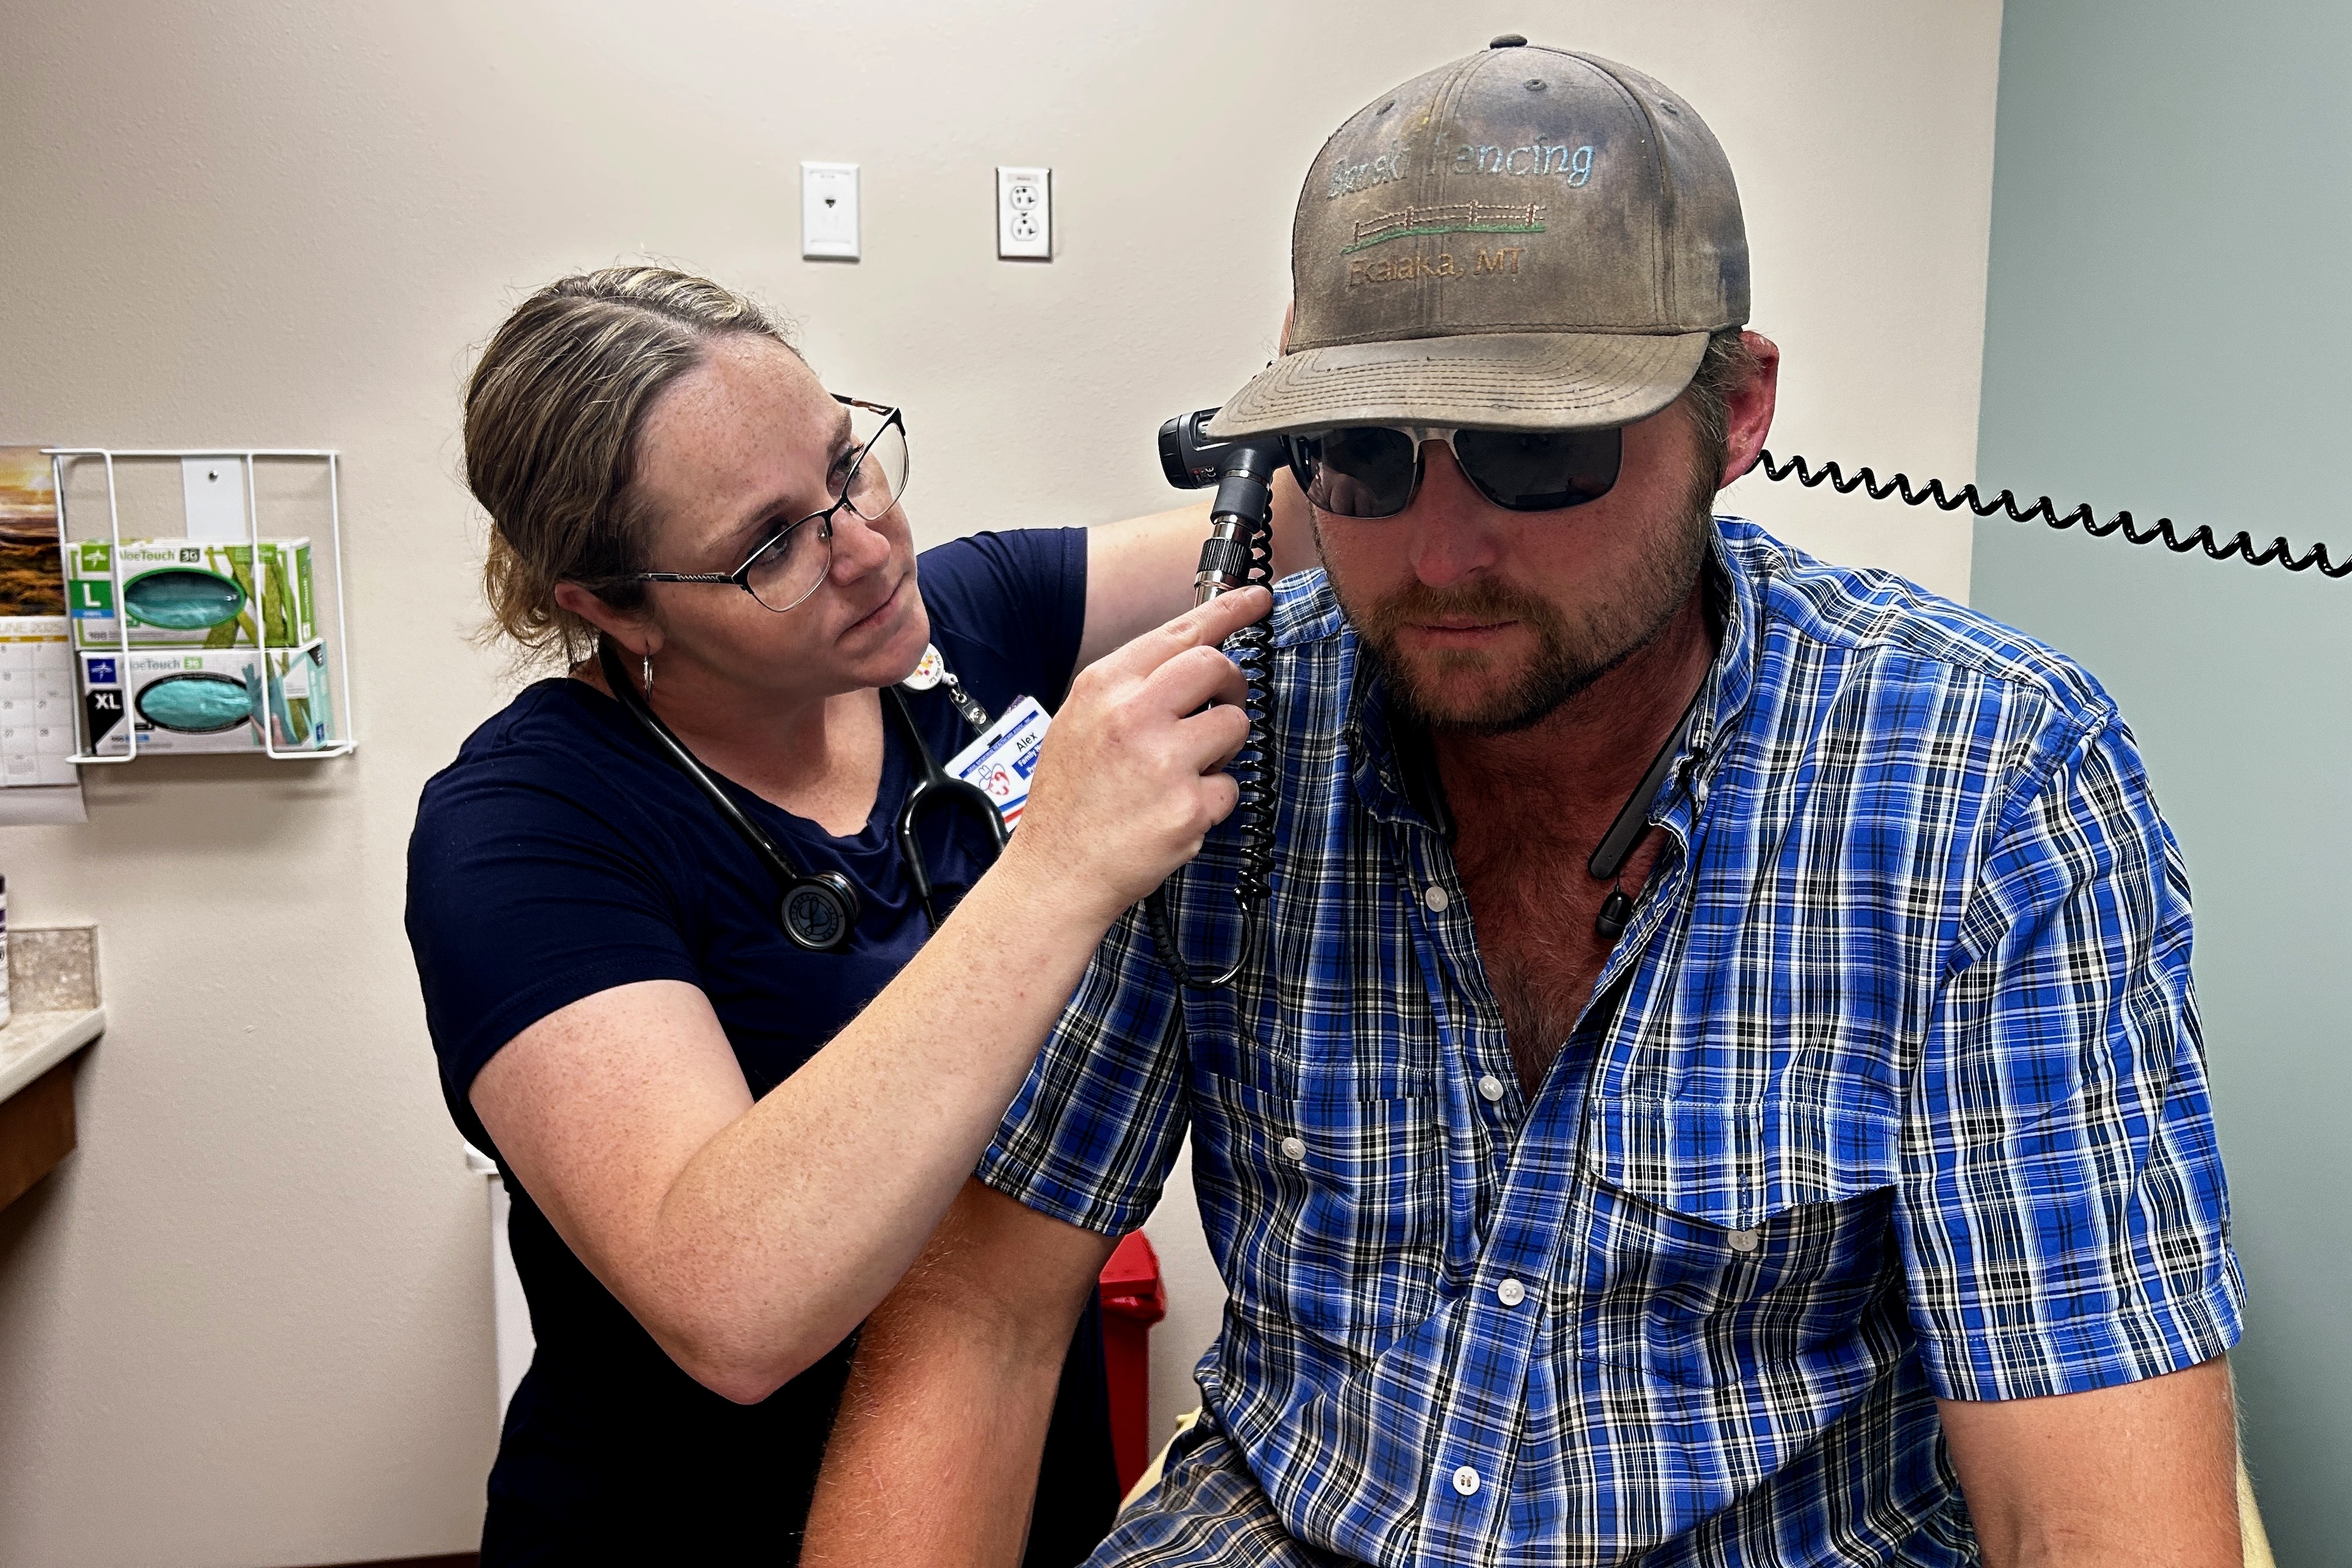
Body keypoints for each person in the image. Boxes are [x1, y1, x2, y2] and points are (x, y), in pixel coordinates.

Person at [802, 40, 2246, 1568]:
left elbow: (2083, 1511)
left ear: (1737, 407)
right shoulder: (1207, 749)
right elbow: (984, 1309)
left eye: (1534, 451)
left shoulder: (1983, 781)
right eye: (1360, 458)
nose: (1438, 552)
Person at [404, 265, 1308, 1563]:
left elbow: (1314, 529)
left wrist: (1345, 390)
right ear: (605, 603)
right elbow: (732, 1299)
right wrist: (1058, 867)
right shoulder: (525, 827)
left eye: (847, 463)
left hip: (994, 1486)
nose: (869, 544)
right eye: (774, 543)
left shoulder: (968, 624)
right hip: (689, 1522)